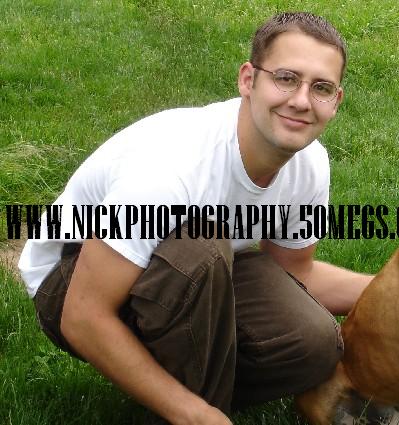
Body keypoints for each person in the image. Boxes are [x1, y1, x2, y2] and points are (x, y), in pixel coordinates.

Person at [18, 12, 372, 424]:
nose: (301, 101)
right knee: (200, 243)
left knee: (313, 341)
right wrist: (193, 414)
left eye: (321, 88)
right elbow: (83, 316)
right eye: (286, 78)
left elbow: (296, 273)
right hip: (72, 280)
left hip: (189, 269)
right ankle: (190, 408)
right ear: (248, 80)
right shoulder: (170, 170)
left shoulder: (310, 164)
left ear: (336, 101)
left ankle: (179, 392)